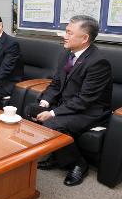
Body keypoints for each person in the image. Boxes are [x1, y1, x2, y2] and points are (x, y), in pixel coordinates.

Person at [24, 15, 113, 186]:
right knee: (30, 109)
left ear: (85, 38)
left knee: (52, 123)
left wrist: (52, 112)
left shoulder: (98, 62)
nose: (64, 36)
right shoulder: (66, 54)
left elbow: (85, 100)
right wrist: (45, 103)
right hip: (68, 104)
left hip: (89, 111)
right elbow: (56, 83)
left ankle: (78, 163)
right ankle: (58, 156)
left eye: (69, 33)